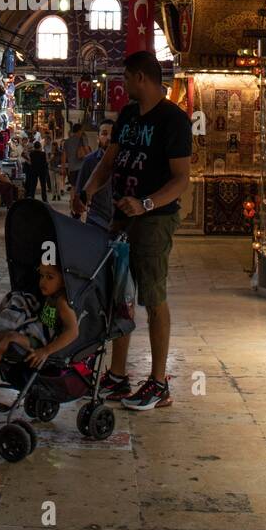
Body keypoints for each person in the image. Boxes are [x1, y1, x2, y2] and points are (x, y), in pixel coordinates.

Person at [73, 50, 191, 410]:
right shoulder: (126, 115)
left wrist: (147, 204)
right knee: (118, 296)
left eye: (125, 78)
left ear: (141, 77)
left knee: (152, 297)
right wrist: (87, 191)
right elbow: (109, 163)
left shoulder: (174, 120)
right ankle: (118, 375)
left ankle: (158, 383)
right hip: (121, 217)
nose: (122, 86)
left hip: (154, 220)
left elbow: (181, 179)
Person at [73, 120, 114, 228]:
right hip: (96, 220)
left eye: (113, 134)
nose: (109, 138)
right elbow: (80, 191)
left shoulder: (124, 161)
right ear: (98, 137)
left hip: (119, 223)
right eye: (104, 134)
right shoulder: (90, 161)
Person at [61, 122, 91, 190]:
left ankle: (72, 200)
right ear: (79, 130)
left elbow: (64, 155)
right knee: (82, 187)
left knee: (73, 187)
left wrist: (63, 168)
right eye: (82, 130)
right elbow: (87, 151)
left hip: (72, 168)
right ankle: (79, 200)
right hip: (81, 167)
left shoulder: (67, 142)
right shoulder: (83, 139)